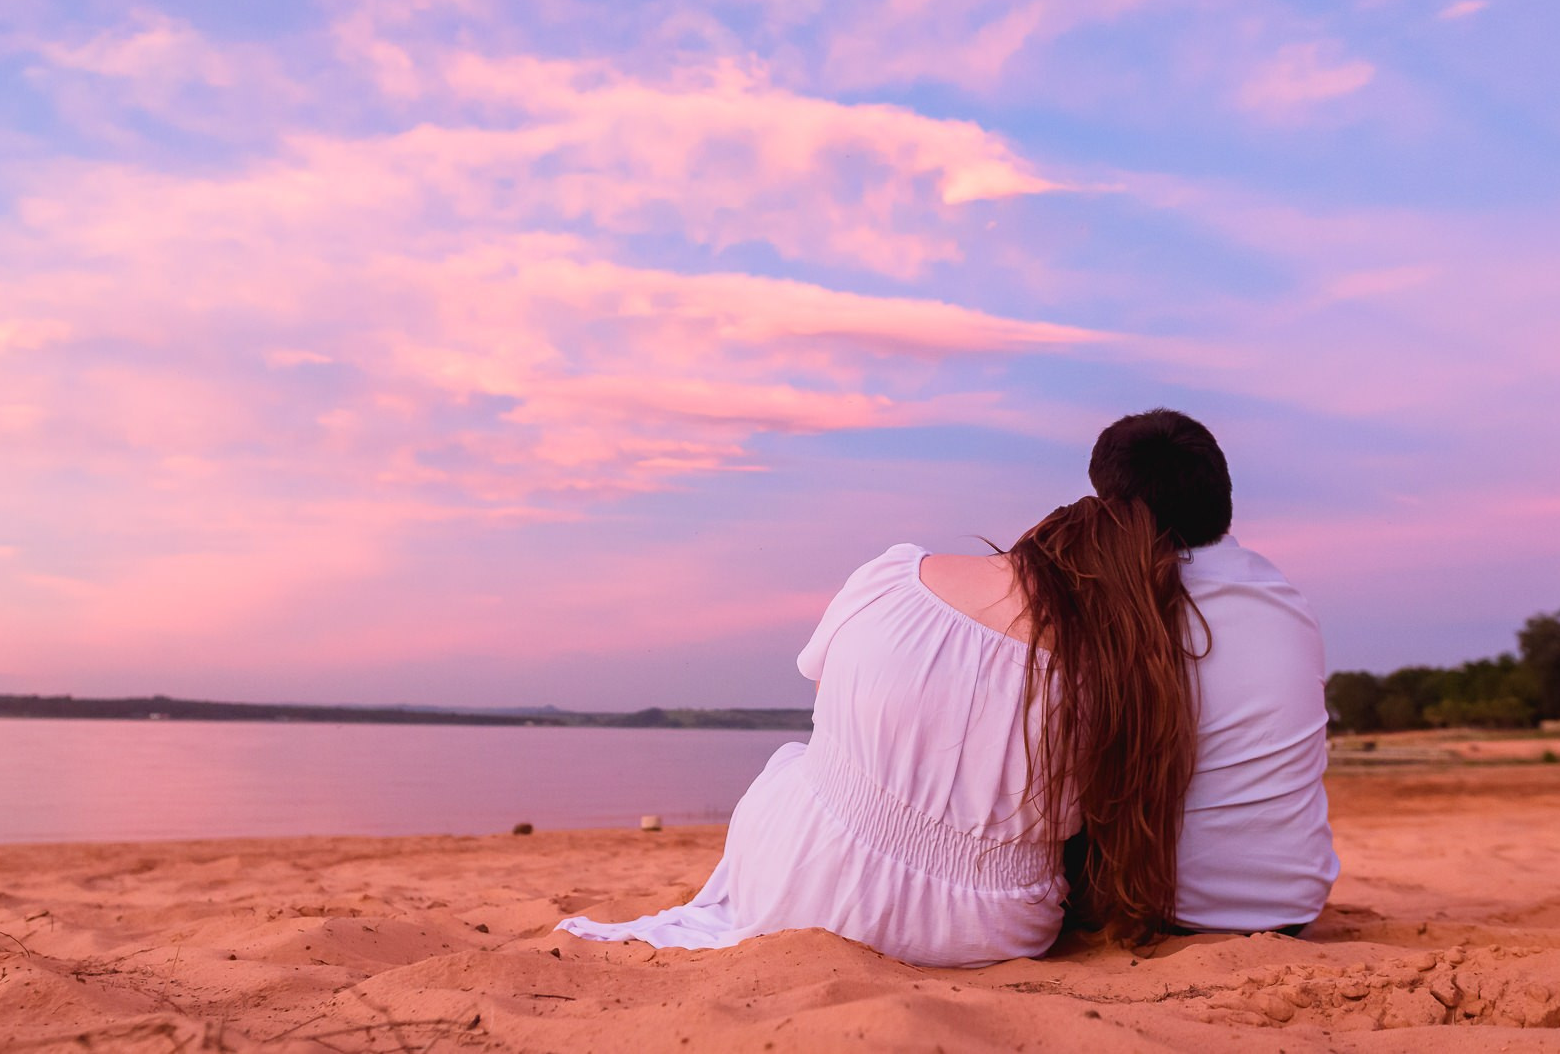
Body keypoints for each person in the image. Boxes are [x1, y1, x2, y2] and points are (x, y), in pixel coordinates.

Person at [556, 409, 1337, 966]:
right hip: (1296, 905)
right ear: (1222, 501)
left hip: (1178, 910)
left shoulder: (1138, 616)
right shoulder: (1288, 601)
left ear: (1111, 503)